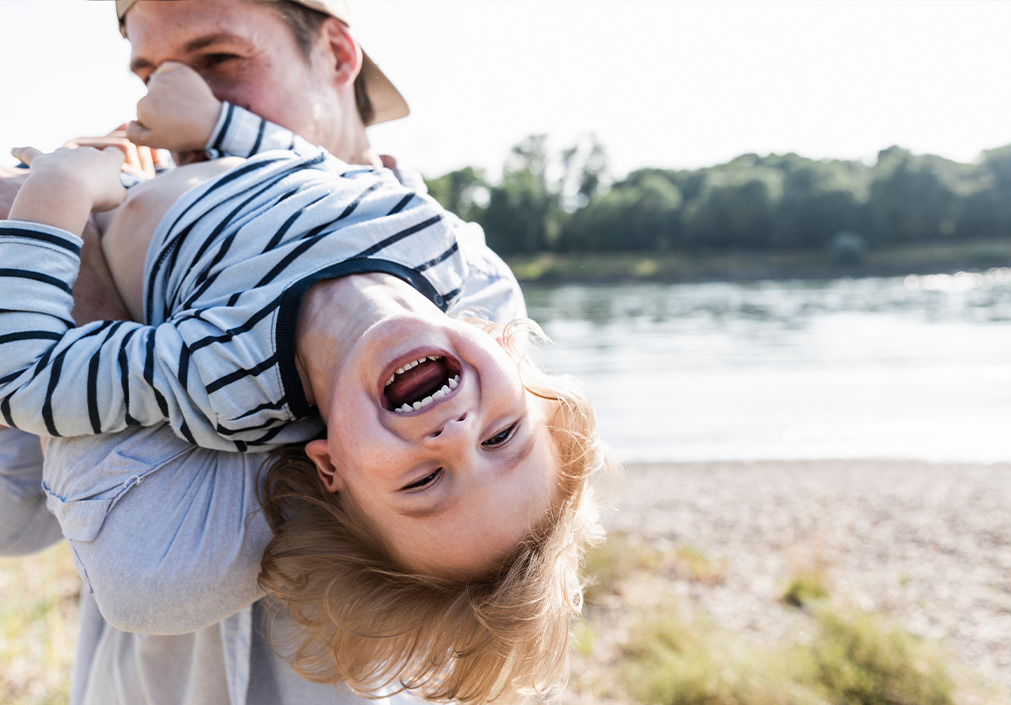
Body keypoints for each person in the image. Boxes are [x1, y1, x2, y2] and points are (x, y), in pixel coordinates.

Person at [0, 1, 611, 703]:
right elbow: (13, 517)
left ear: (339, 56)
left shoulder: (466, 280)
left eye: (219, 60)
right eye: (149, 74)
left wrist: (56, 226)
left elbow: (145, 575)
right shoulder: (414, 249)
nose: (166, 98)